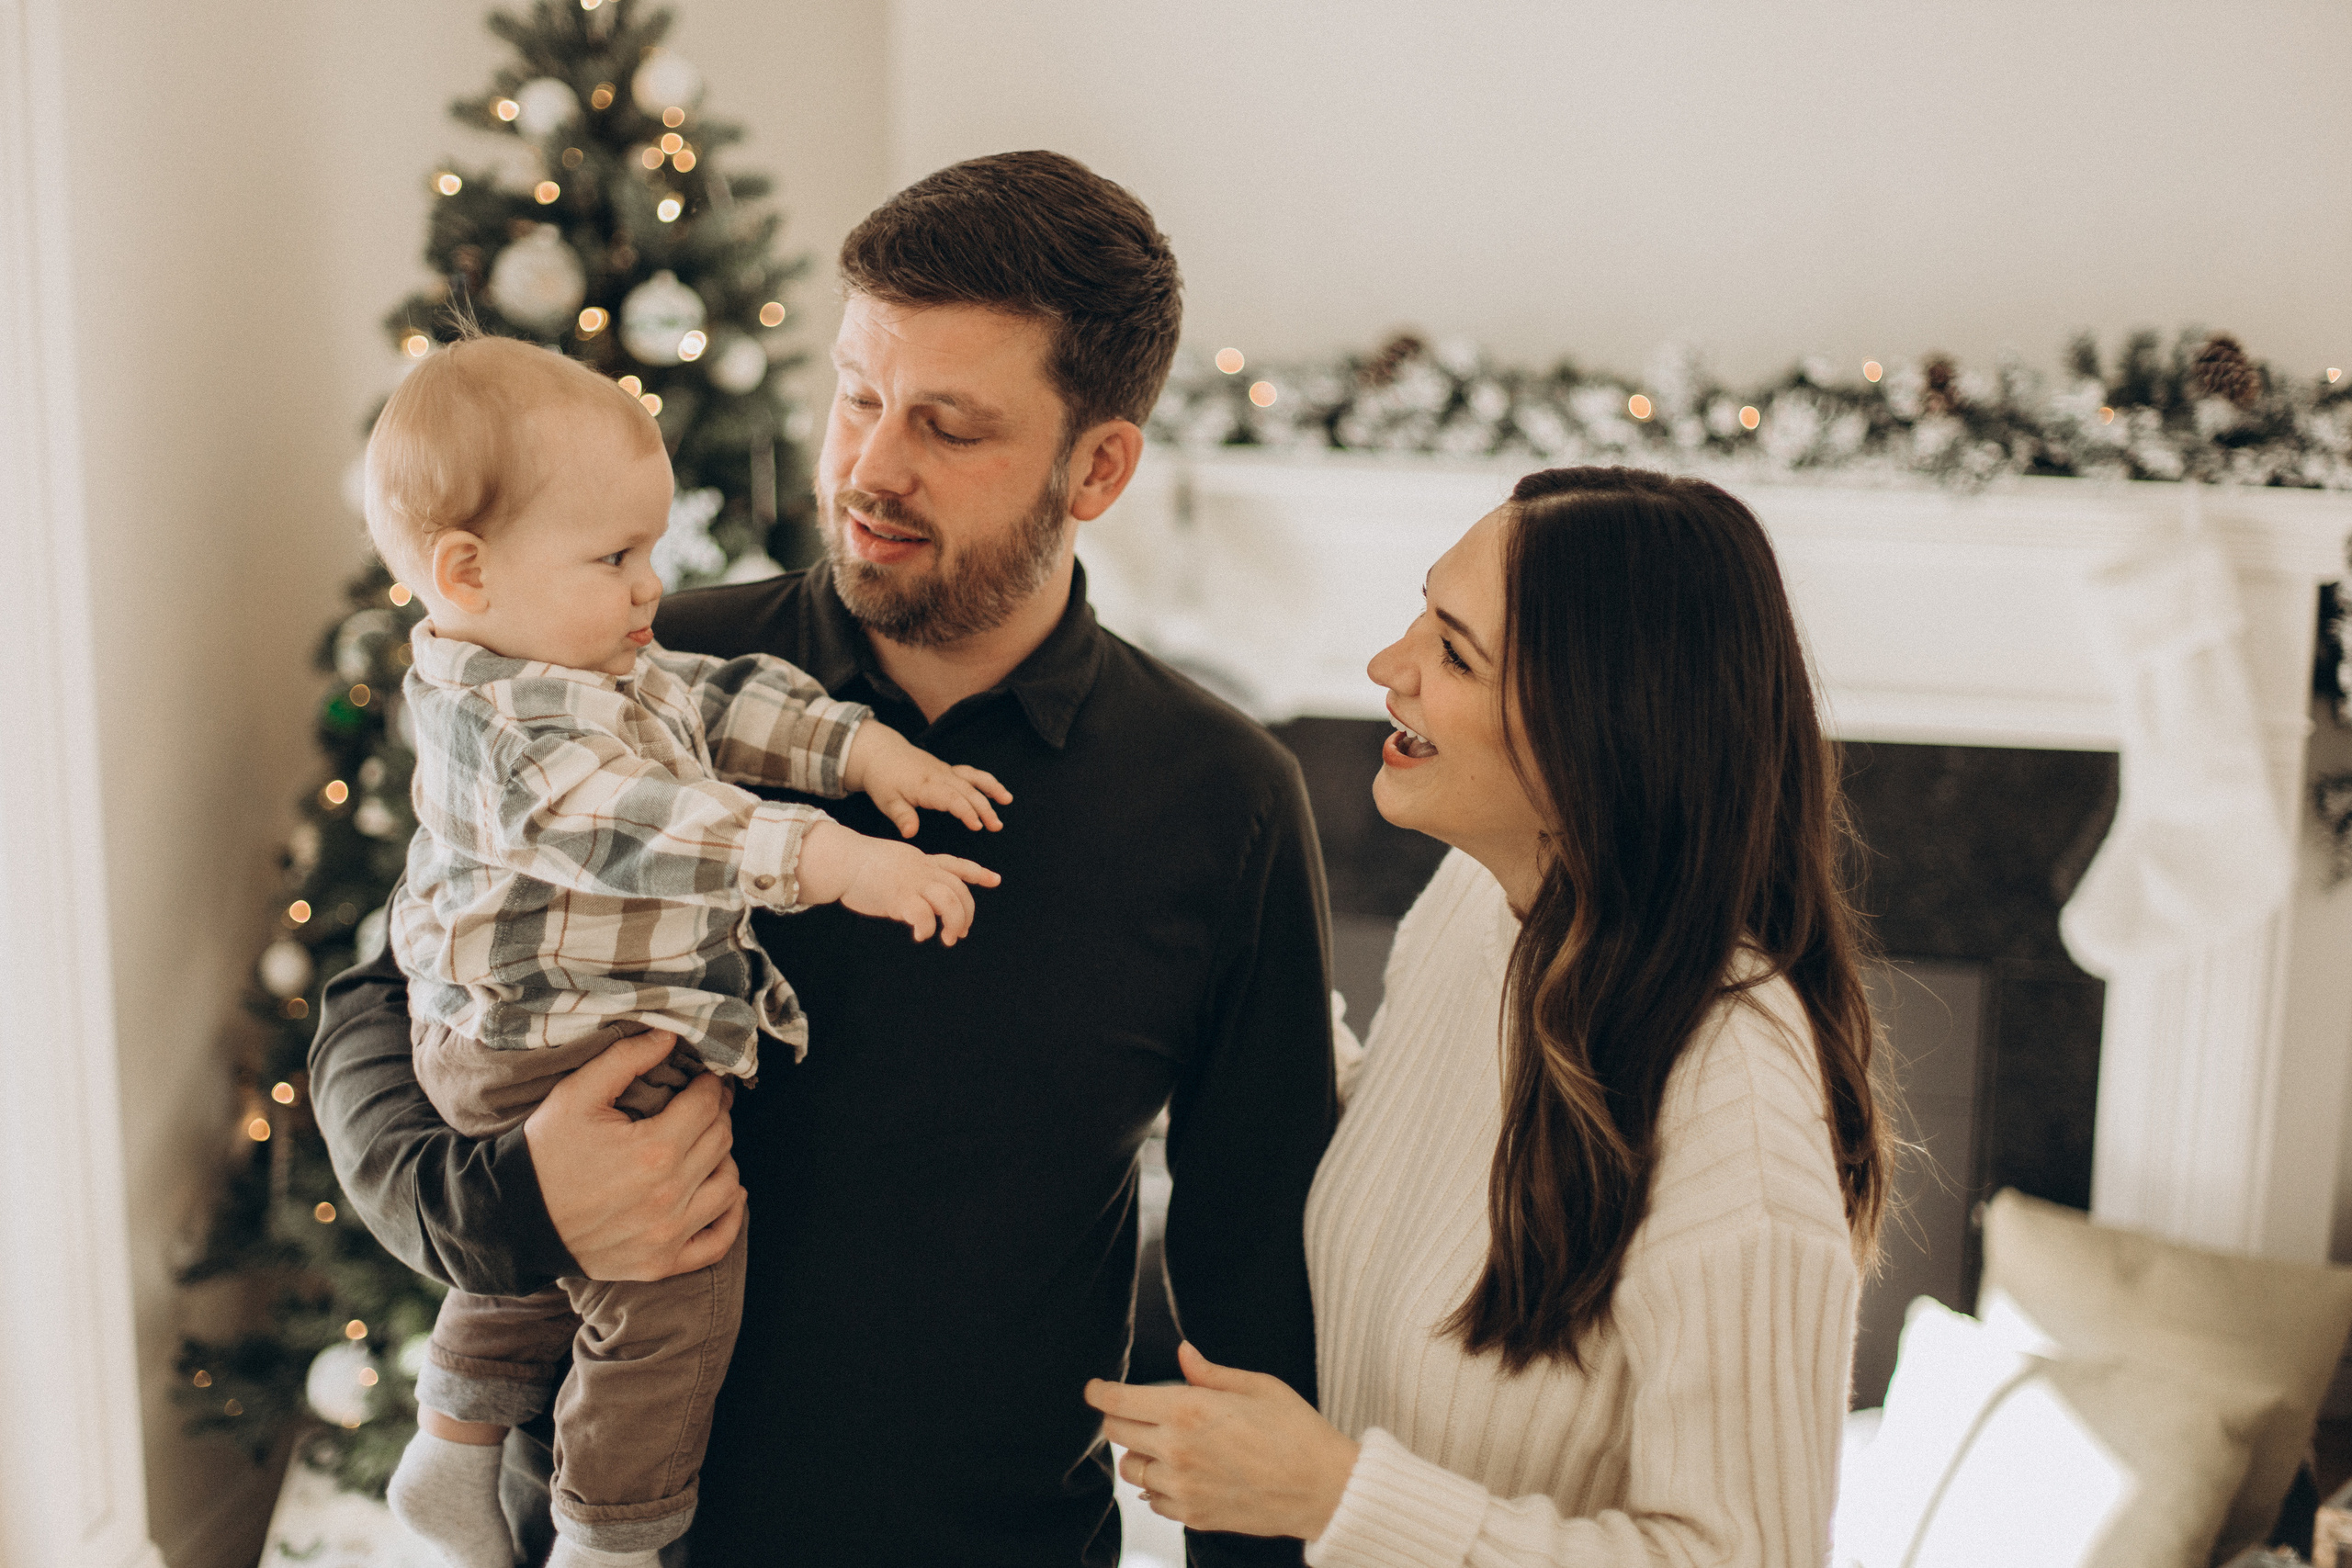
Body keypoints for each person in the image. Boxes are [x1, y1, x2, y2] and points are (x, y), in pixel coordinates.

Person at [311, 150, 1335, 1568]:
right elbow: (372, 1002)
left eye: (949, 427)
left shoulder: (1226, 799)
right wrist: (504, 1204)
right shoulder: (640, 673)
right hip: (597, 1537)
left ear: (1097, 465)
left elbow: (1254, 1269)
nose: (868, 466)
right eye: (855, 396)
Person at [1087, 467, 1891, 1567]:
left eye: (1454, 653)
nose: (1387, 668)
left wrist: (1334, 1497)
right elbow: (1417, 1157)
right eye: (1423, 611)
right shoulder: (1486, 904)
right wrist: (1210, 971)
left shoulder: (1733, 1112)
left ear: (1595, 733)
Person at [358, 333, 1010, 1568]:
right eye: (615, 556)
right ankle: (609, 1536)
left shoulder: (583, 657)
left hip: (534, 1032)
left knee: (551, 1255)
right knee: (671, 1286)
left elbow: (711, 702)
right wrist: (843, 858)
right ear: (465, 569)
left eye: (650, 549)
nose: (651, 587)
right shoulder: (516, 731)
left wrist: (866, 752)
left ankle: (450, 1447)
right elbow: (655, 822)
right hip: (533, 1039)